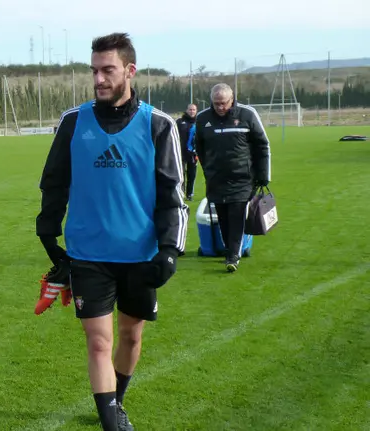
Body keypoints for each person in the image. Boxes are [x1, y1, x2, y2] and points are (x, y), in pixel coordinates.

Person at [35, 32, 188, 431]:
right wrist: (48, 234)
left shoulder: (158, 124)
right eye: (94, 71)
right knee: (99, 342)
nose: (99, 79)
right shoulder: (74, 122)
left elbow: (173, 196)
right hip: (88, 254)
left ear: (129, 71)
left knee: (130, 339)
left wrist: (170, 249)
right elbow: (54, 182)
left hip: (140, 255)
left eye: (108, 70)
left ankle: (115, 401)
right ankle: (110, 420)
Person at [193, 83, 270, 272]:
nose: (220, 107)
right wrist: (208, 170)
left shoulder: (247, 114)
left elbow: (262, 145)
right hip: (216, 178)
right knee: (223, 216)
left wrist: (263, 175)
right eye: (216, 103)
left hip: (242, 178)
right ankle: (230, 249)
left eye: (224, 103)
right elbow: (200, 147)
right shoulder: (203, 118)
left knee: (236, 214)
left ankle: (233, 256)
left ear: (232, 98)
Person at [176, 104, 198, 200]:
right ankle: (181, 193)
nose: (192, 111)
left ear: (196, 111)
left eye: (193, 110)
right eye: (190, 109)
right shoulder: (180, 122)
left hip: (193, 153)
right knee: (180, 175)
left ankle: (190, 195)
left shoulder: (199, 122)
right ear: (187, 110)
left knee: (191, 174)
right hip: (180, 152)